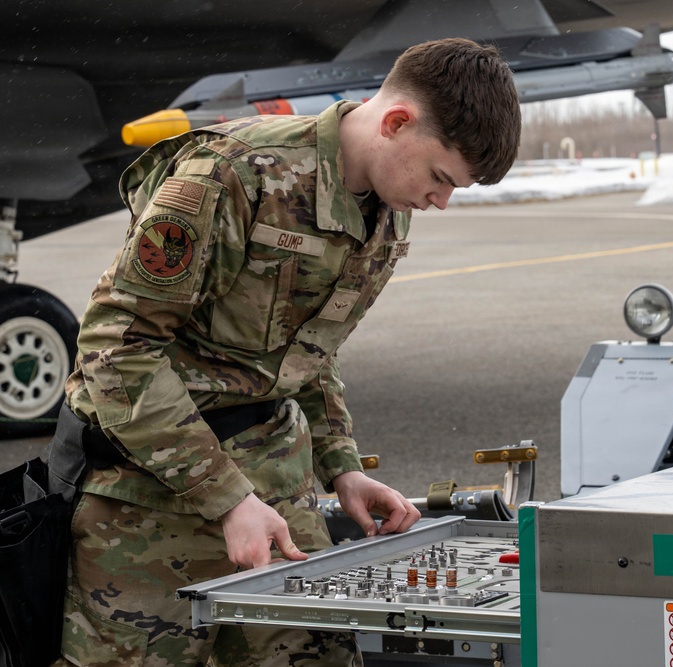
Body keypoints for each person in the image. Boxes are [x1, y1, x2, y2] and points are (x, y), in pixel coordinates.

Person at [49, 37, 521, 667]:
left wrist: (341, 464)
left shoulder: (386, 206)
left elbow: (306, 349)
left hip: (272, 487)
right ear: (396, 122)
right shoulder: (232, 175)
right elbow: (117, 350)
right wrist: (227, 499)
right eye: (440, 178)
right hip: (144, 500)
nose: (441, 201)